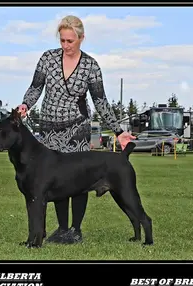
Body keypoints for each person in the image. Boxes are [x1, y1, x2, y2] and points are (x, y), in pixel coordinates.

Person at [16, 15, 136, 244]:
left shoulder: (91, 66)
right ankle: (62, 229)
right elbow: (35, 88)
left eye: (70, 41)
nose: (65, 45)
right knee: (56, 179)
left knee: (80, 179)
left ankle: (76, 229)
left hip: (77, 129)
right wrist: (25, 104)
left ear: (82, 38)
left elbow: (101, 101)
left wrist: (118, 131)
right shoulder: (47, 59)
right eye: (62, 40)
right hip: (49, 130)